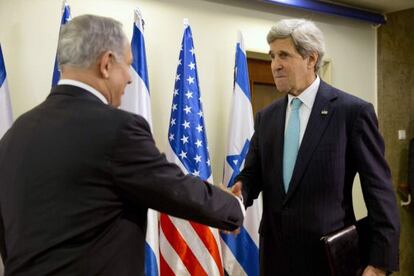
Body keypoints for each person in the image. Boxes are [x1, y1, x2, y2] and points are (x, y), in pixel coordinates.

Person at [0, 15, 244, 276]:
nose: (129, 78)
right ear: (106, 63)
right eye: (127, 65)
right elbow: (173, 188)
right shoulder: (118, 129)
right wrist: (232, 207)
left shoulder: (15, 135)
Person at [231, 19, 399, 276]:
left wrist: (379, 264)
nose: (275, 65)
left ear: (311, 59)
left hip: (329, 260)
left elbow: (380, 193)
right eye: (272, 56)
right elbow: (252, 175)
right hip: (275, 259)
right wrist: (238, 196)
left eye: (284, 55)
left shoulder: (351, 113)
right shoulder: (266, 117)